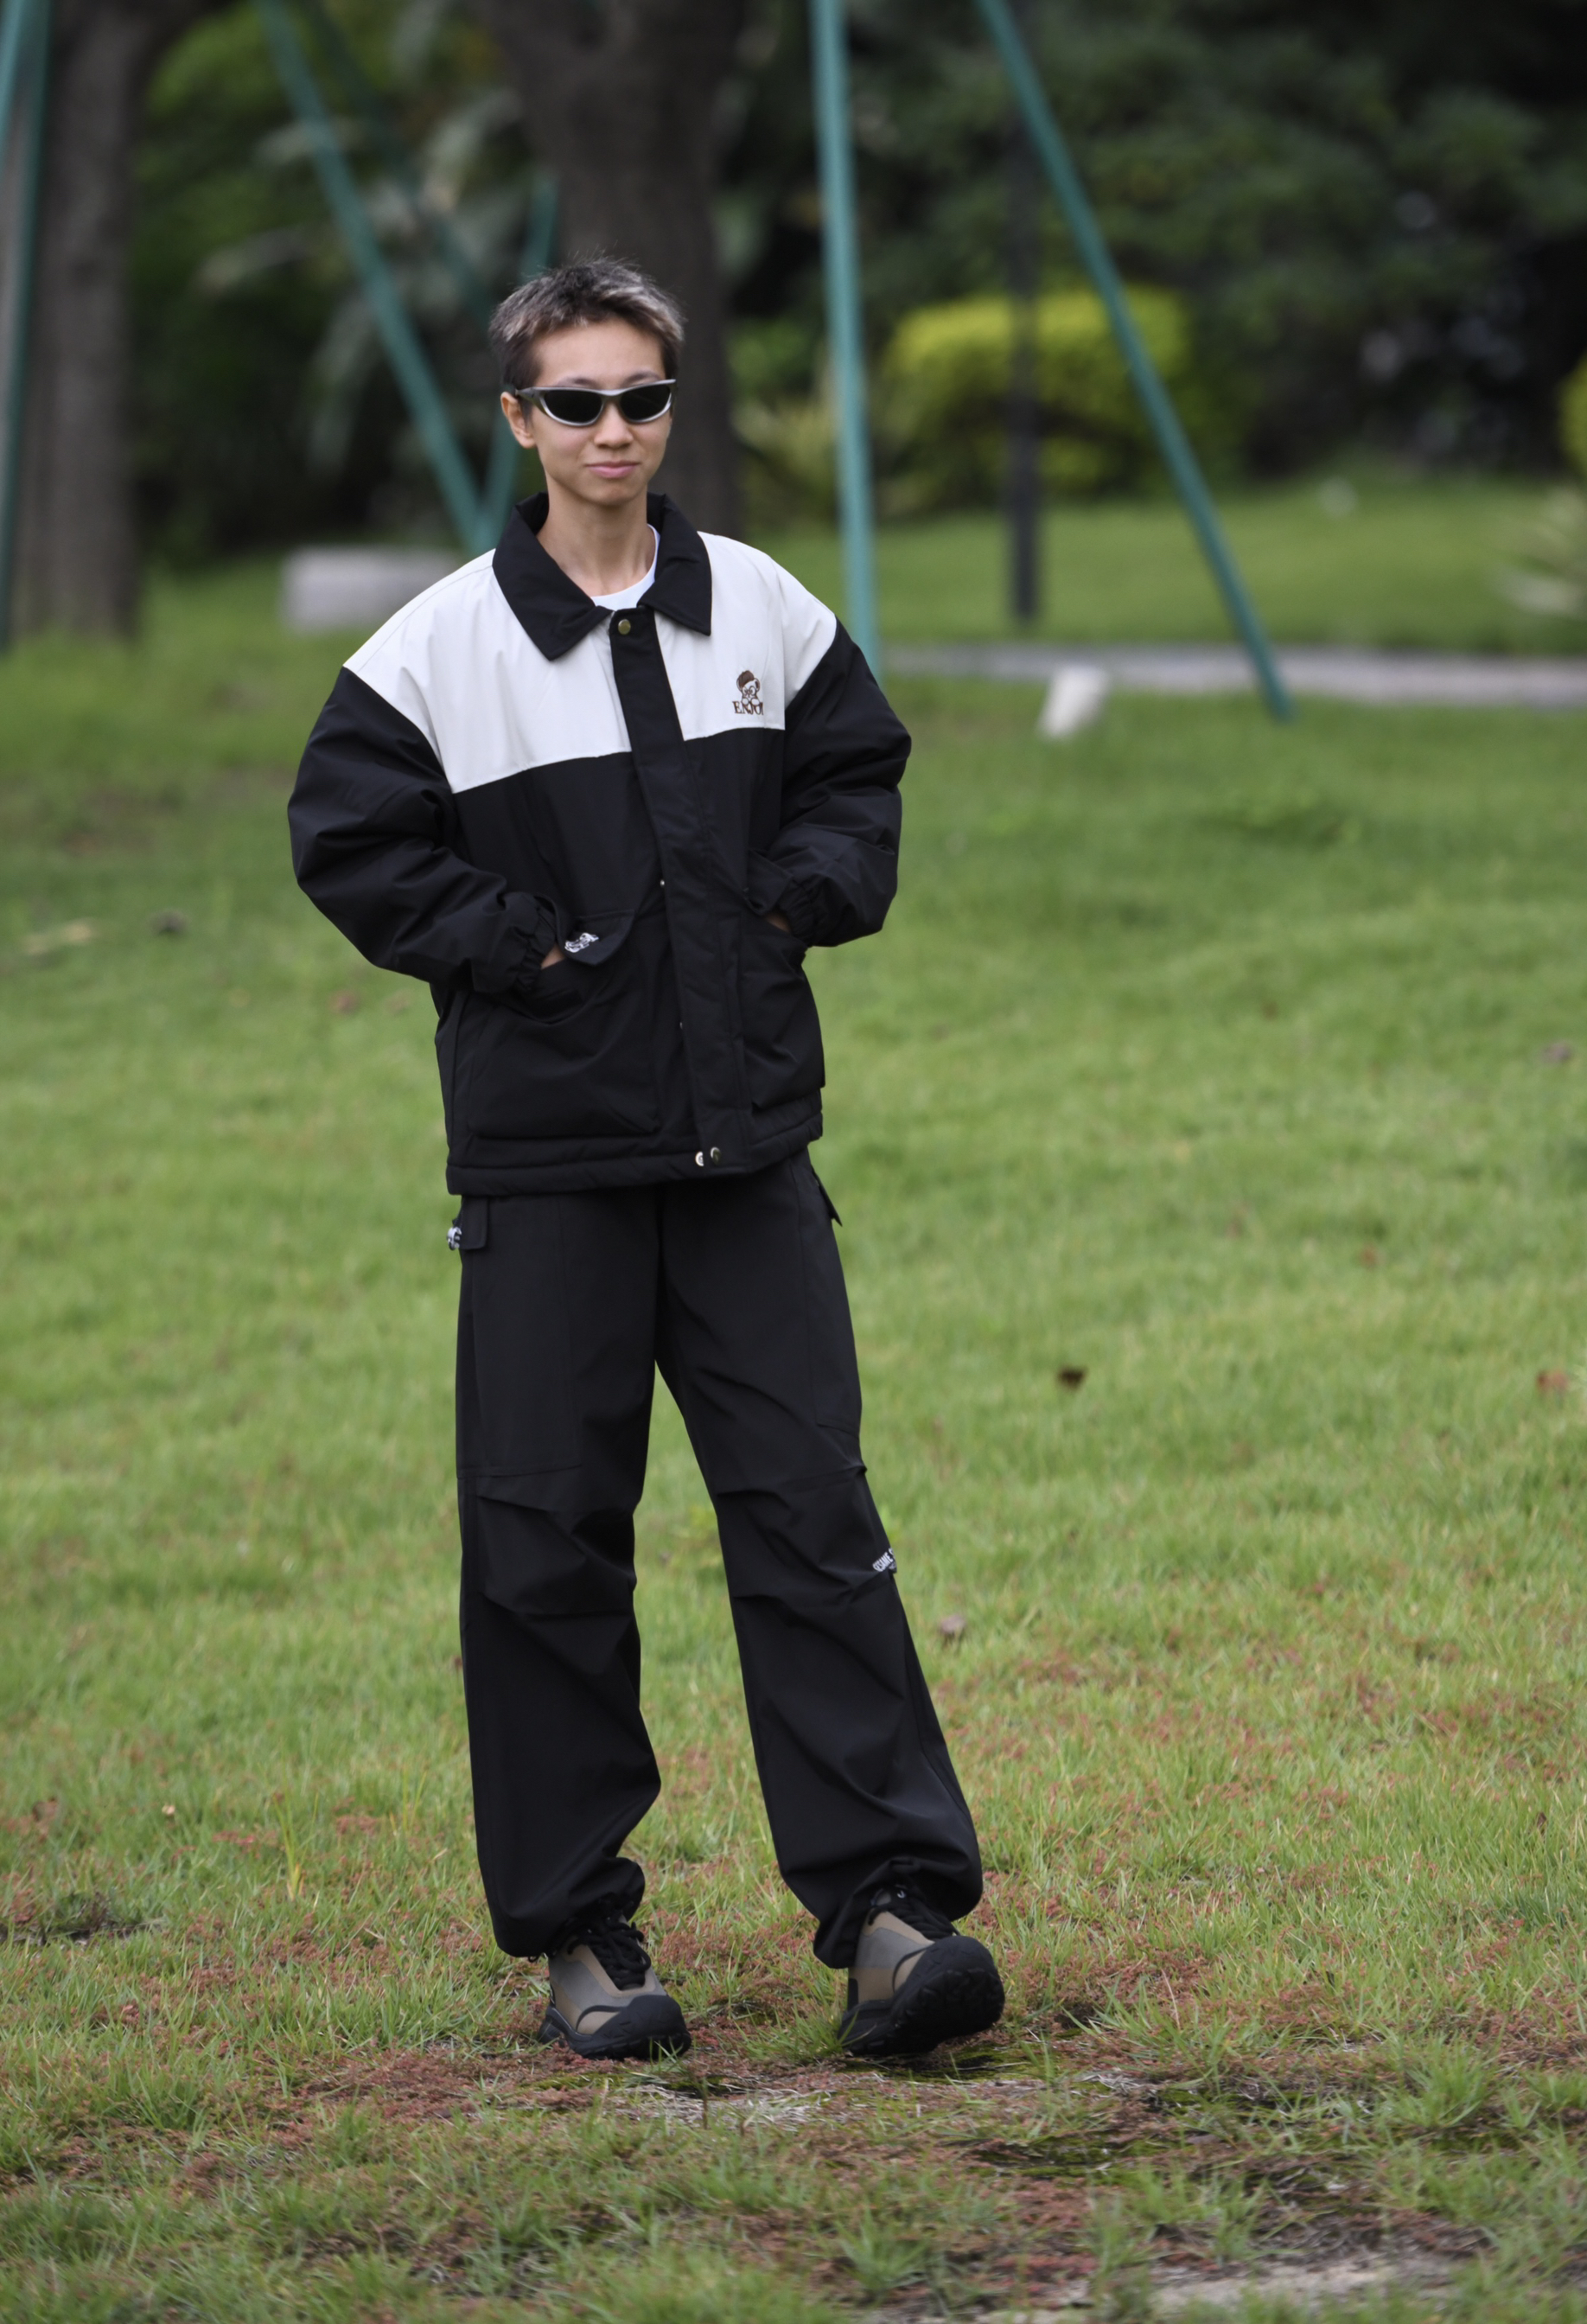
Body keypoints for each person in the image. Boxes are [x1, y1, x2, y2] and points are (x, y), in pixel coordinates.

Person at [289, 258, 1002, 2062]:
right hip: (550, 1175)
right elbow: (350, 845)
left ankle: (893, 1919)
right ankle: (582, 1941)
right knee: (543, 1549)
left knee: (814, 1523)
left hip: (750, 1157)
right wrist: (525, 951)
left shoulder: (759, 602)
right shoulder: (434, 652)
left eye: (644, 398)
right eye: (578, 402)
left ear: (673, 407)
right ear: (519, 420)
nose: (615, 431)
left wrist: (796, 901)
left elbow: (857, 775)